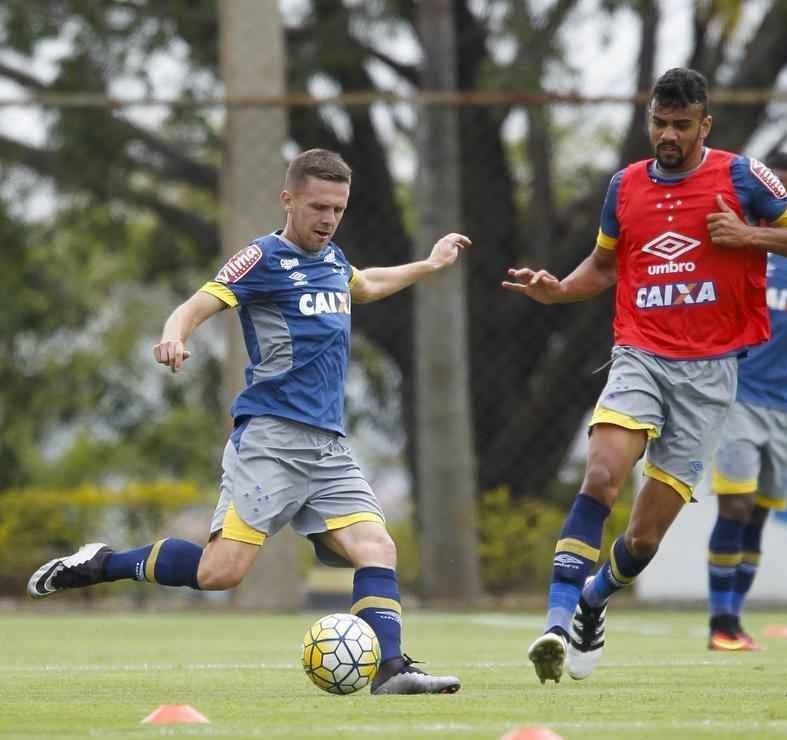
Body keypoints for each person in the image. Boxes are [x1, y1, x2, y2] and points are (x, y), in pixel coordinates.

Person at [27, 148, 470, 696]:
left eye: (338, 209)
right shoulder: (261, 259)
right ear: (288, 200)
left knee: (376, 548)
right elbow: (197, 303)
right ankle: (104, 563)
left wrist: (430, 265)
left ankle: (391, 669)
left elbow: (367, 284)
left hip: (329, 448)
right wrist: (174, 336)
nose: (328, 219)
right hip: (271, 442)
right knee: (222, 573)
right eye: (317, 207)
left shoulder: (332, 260)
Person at [502, 68, 787, 684]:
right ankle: (554, 621)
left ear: (705, 124)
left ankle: (594, 601)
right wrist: (559, 290)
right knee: (601, 474)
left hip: (711, 376)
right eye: (659, 123)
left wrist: (747, 233)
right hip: (641, 354)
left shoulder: (741, 175)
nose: (668, 135)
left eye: (681, 124)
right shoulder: (625, 186)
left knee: (644, 541)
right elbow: (603, 266)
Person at [705, 153, 787, 651]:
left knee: (757, 512)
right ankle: (721, 623)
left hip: (784, 403)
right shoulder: (739, 250)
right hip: (736, 394)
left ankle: (735, 619)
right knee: (734, 506)